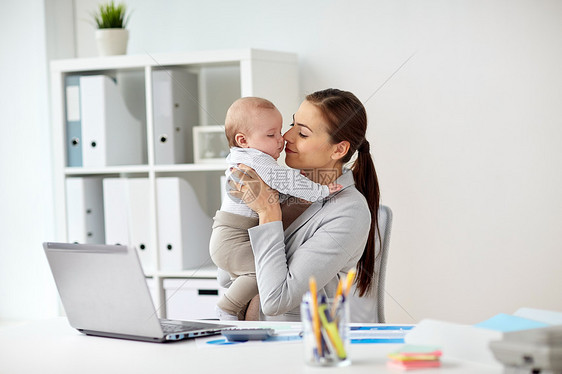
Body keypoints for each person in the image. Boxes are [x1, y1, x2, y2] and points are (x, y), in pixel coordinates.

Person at [226, 88, 380, 321]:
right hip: (245, 337)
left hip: (298, 345)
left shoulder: (349, 212)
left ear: (339, 149)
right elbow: (226, 275)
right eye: (292, 124)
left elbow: (276, 301)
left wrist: (267, 213)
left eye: (303, 134)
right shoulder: (279, 186)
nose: (286, 136)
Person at [210, 97, 342, 320]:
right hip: (233, 236)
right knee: (261, 271)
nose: (282, 140)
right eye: (271, 135)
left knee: (254, 273)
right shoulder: (257, 160)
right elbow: (287, 180)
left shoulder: (243, 156)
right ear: (243, 140)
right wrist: (320, 191)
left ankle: (234, 310)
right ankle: (227, 307)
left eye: (280, 131)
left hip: (227, 235)